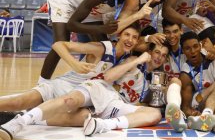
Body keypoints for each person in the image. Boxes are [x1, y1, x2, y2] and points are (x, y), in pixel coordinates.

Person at [0, 36, 165, 140]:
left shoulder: (154, 78)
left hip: (111, 102)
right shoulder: (126, 57)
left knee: (154, 114)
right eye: (157, 52)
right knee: (19, 101)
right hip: (84, 87)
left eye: (164, 55)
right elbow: (108, 77)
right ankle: (19, 121)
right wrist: (75, 63)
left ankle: (103, 125)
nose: (159, 57)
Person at [0, 25, 140, 121]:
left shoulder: (125, 56)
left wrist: (148, 39)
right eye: (127, 35)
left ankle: (20, 117)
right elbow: (58, 45)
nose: (130, 39)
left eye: (134, 37)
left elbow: (146, 45)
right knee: (18, 102)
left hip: (76, 96)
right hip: (61, 86)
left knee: (79, 117)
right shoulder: (102, 48)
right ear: (119, 36)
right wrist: (75, 64)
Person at [40, 0, 144, 80]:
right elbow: (72, 25)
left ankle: (91, 79)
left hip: (85, 1)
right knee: (62, 40)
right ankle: (42, 84)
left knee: (105, 46)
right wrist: (102, 28)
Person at [164, 31, 215, 133]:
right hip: (200, 100)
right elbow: (186, 107)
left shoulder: (213, 57)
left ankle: (197, 121)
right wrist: (191, 113)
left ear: (200, 46)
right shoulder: (185, 74)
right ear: (183, 51)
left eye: (195, 46)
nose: (193, 51)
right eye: (187, 48)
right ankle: (201, 117)